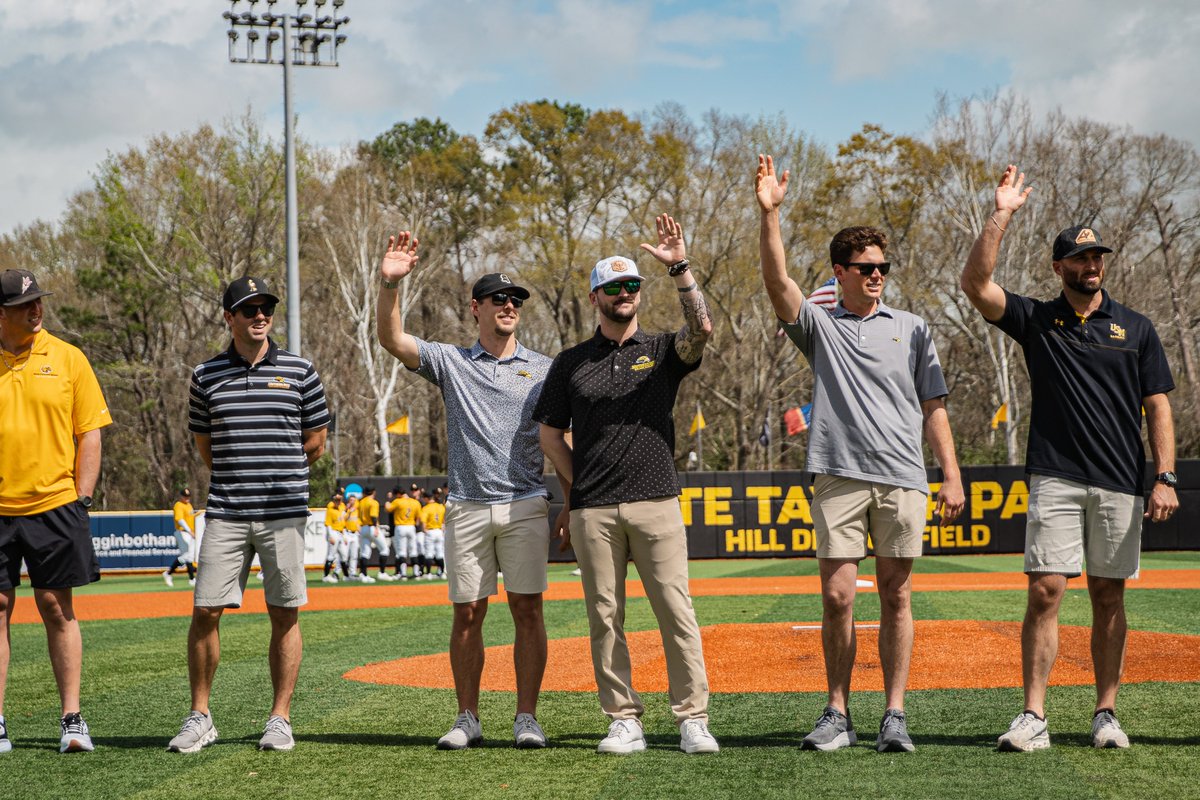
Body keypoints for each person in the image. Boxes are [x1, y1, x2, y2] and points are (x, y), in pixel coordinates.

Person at [960, 165, 1179, 752]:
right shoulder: (1037, 320)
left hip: (1120, 481)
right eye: (1080, 260)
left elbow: (1157, 405)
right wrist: (1001, 212)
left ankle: (1105, 713)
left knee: (1109, 594)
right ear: (1059, 268)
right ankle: (1033, 716)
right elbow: (976, 284)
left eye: (1097, 258)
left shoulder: (1136, 327)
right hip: (1055, 475)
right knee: (1045, 591)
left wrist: (1164, 476)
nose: (1091, 267)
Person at [755, 155, 965, 753]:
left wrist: (950, 474)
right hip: (840, 475)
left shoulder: (914, 327)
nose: (877, 275)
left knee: (897, 595)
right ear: (840, 272)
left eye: (883, 267)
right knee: (837, 595)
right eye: (866, 267)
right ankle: (837, 712)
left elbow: (934, 406)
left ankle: (894, 715)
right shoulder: (821, 326)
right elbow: (777, 282)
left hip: (902, 478)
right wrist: (770, 215)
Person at [535, 214, 720, 755]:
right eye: (614, 286)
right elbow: (549, 436)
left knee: (676, 611)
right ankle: (623, 718)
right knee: (605, 619)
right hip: (594, 510)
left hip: (656, 499)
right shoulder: (571, 362)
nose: (624, 293)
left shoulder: (663, 352)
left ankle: (692, 717)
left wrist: (680, 269)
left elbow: (703, 328)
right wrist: (579, 484)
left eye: (632, 285)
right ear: (595, 296)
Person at [377, 231, 553, 750]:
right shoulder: (451, 361)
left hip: (525, 503)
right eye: (499, 299)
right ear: (475, 308)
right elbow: (392, 339)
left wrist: (570, 500)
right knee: (467, 613)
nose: (509, 306)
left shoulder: (544, 368)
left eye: (515, 300)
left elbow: (560, 437)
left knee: (528, 610)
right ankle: (467, 717)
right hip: (468, 506)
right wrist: (390, 284)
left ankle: (526, 718)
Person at [169, 276, 329, 754]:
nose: (260, 315)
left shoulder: (301, 371)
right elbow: (206, 447)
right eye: (249, 309)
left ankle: (279, 718)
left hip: (283, 514)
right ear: (228, 317)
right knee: (205, 611)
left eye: (266, 308)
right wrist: (242, 477)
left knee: (284, 612)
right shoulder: (205, 375)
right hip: (226, 511)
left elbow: (316, 442)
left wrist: (278, 473)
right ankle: (201, 716)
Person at [0, 268, 111, 754]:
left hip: (55, 505)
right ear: (1, 314)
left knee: (56, 608)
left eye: (38, 301)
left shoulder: (69, 358)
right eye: (25, 305)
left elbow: (90, 432)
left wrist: (81, 498)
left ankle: (72, 719)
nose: (37, 309)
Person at [386, 484, 423, 580]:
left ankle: (403, 574)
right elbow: (418, 518)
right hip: (411, 527)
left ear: (398, 493)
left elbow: (388, 509)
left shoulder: (397, 501)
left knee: (402, 552)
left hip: (401, 527)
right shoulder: (415, 502)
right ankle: (416, 573)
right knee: (413, 551)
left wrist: (388, 500)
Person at [164, 488, 198, 587]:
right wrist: (189, 531)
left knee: (189, 557)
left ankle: (191, 579)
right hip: (182, 532)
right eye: (185, 496)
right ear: (181, 496)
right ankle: (168, 573)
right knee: (186, 556)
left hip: (190, 533)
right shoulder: (178, 505)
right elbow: (180, 520)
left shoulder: (189, 506)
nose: (187, 498)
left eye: (188, 496)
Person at [358, 486, 392, 581]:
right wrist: (376, 528)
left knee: (365, 553)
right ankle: (381, 573)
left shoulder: (361, 502)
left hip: (363, 527)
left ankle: (363, 575)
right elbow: (373, 517)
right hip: (371, 527)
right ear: (373, 492)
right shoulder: (373, 502)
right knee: (384, 549)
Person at [420, 490, 447, 580]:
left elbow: (423, 522)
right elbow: (444, 520)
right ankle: (442, 573)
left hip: (430, 531)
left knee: (429, 554)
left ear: (427, 498)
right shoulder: (440, 507)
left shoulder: (426, 508)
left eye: (424, 498)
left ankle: (428, 574)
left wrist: (424, 530)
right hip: (439, 531)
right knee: (440, 553)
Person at [322, 491, 345, 583]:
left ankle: (346, 575)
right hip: (333, 533)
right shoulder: (330, 510)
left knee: (344, 555)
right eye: (336, 500)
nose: (338, 502)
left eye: (339, 500)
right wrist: (330, 536)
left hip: (340, 533)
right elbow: (328, 524)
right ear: (333, 501)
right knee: (331, 555)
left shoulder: (341, 507)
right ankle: (326, 576)